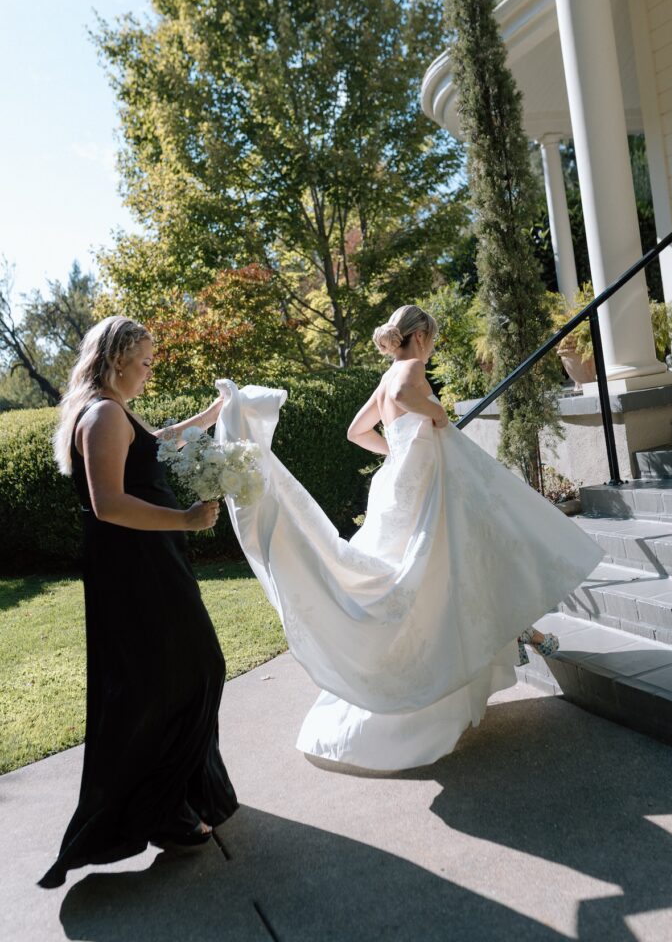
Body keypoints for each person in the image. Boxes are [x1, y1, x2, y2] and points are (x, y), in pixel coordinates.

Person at [216, 305, 602, 772]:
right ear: (419, 337)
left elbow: (356, 431)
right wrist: (436, 413)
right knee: (452, 563)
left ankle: (518, 631)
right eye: (432, 340)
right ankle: (518, 630)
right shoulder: (408, 369)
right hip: (425, 487)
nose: (431, 348)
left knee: (437, 570)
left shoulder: (385, 376)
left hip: (401, 481)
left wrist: (396, 452)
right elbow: (404, 393)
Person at [39, 316, 237, 889]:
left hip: (149, 563)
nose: (150, 371)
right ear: (120, 356)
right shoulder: (101, 415)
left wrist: (208, 417)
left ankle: (179, 798)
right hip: (134, 570)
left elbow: (155, 444)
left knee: (176, 674)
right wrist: (184, 519)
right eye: (146, 361)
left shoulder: (112, 409)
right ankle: (163, 809)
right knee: (187, 672)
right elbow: (108, 504)